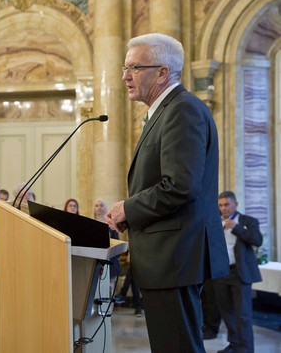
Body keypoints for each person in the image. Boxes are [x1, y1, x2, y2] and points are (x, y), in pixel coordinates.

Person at [105, 33, 229, 352]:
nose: (125, 76)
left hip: (175, 256)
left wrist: (127, 209)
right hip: (170, 256)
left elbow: (179, 185)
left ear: (162, 72)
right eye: (125, 67)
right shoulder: (164, 112)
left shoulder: (181, 110)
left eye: (134, 67)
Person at [214, 191, 262, 353]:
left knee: (243, 315)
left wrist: (237, 228)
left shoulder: (248, 221)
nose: (224, 208)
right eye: (221, 205)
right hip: (220, 273)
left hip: (239, 273)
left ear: (236, 204)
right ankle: (234, 345)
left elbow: (257, 240)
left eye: (226, 204)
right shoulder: (215, 222)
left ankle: (246, 349)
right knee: (227, 313)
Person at [93, 198, 122, 302]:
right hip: (95, 257)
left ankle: (110, 304)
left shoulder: (110, 223)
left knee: (110, 284)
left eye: (101, 205)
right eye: (97, 205)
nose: (99, 208)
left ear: (105, 207)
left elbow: (116, 240)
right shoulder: (91, 223)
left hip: (110, 257)